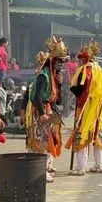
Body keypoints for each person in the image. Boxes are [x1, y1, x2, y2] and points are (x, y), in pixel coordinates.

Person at [23, 37, 69, 183]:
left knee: (49, 141)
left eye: (62, 62)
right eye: (59, 61)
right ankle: (38, 172)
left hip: (50, 110)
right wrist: (42, 114)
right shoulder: (43, 75)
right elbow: (36, 97)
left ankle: (41, 170)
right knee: (39, 142)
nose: (61, 64)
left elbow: (58, 100)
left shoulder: (54, 76)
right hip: (41, 111)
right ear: (52, 61)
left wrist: (60, 84)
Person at [65, 41, 102, 176]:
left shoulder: (85, 70)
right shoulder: (100, 70)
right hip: (98, 111)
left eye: (80, 59)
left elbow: (80, 90)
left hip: (86, 109)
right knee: (97, 135)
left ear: (85, 58)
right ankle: (98, 165)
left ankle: (80, 167)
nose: (79, 61)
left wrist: (72, 87)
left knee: (82, 136)